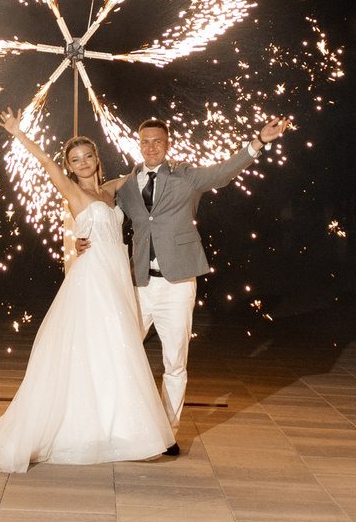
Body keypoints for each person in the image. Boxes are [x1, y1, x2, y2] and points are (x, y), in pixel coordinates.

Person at [0, 113, 175, 472]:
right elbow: (43, 160)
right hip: (93, 280)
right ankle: (84, 427)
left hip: (116, 278)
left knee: (116, 349)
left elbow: (144, 171)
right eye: (75, 160)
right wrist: (18, 133)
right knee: (96, 346)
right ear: (68, 167)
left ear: (97, 159)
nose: (82, 163)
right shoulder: (72, 190)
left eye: (88, 156)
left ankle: (117, 428)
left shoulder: (110, 189)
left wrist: (159, 152)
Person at [114, 114, 291, 440]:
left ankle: (167, 431)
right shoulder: (125, 186)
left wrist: (259, 141)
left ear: (167, 145)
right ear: (137, 145)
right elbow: (100, 212)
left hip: (177, 283)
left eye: (158, 141)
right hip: (139, 283)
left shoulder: (185, 177)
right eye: (145, 142)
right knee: (120, 351)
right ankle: (125, 422)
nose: (151, 147)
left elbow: (223, 173)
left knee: (175, 361)